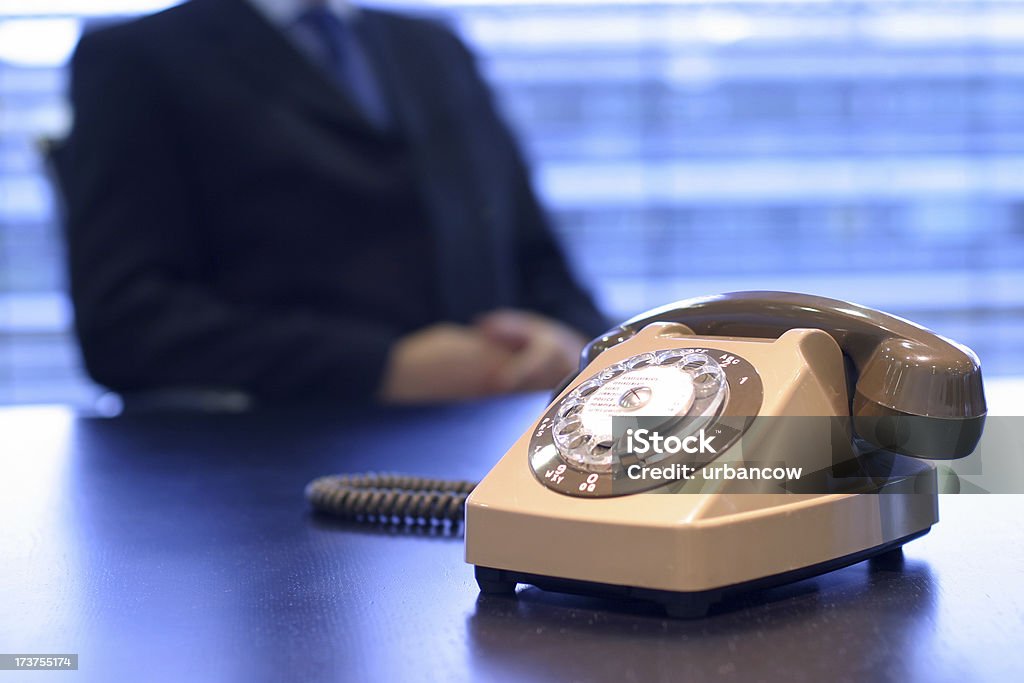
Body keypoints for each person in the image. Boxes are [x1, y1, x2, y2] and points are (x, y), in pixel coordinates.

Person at [59, 0, 607, 405]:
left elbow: (539, 262)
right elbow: (124, 320)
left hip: (491, 444)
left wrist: (571, 344)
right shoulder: (138, 60)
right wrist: (379, 368)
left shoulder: (434, 48)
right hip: (272, 467)